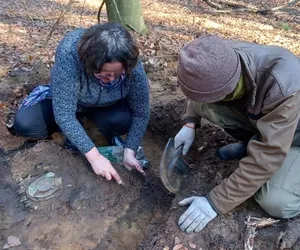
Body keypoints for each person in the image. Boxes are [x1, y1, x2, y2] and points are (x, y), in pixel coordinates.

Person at [174, 34, 300, 233]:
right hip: (273, 123)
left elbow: (268, 156)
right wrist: (190, 123)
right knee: (204, 105)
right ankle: (253, 143)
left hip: (295, 136)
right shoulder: (214, 57)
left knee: (276, 201)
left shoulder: (284, 87)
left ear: (230, 85)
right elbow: (199, 95)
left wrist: (214, 203)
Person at [8, 23, 150, 184]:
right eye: (106, 74)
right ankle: (70, 131)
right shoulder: (70, 55)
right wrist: (95, 157)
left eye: (118, 74)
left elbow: (141, 113)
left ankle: (88, 126)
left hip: (105, 105)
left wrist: (130, 150)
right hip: (70, 100)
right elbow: (64, 114)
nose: (112, 79)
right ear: (91, 65)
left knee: (122, 120)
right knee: (26, 125)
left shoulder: (133, 66)